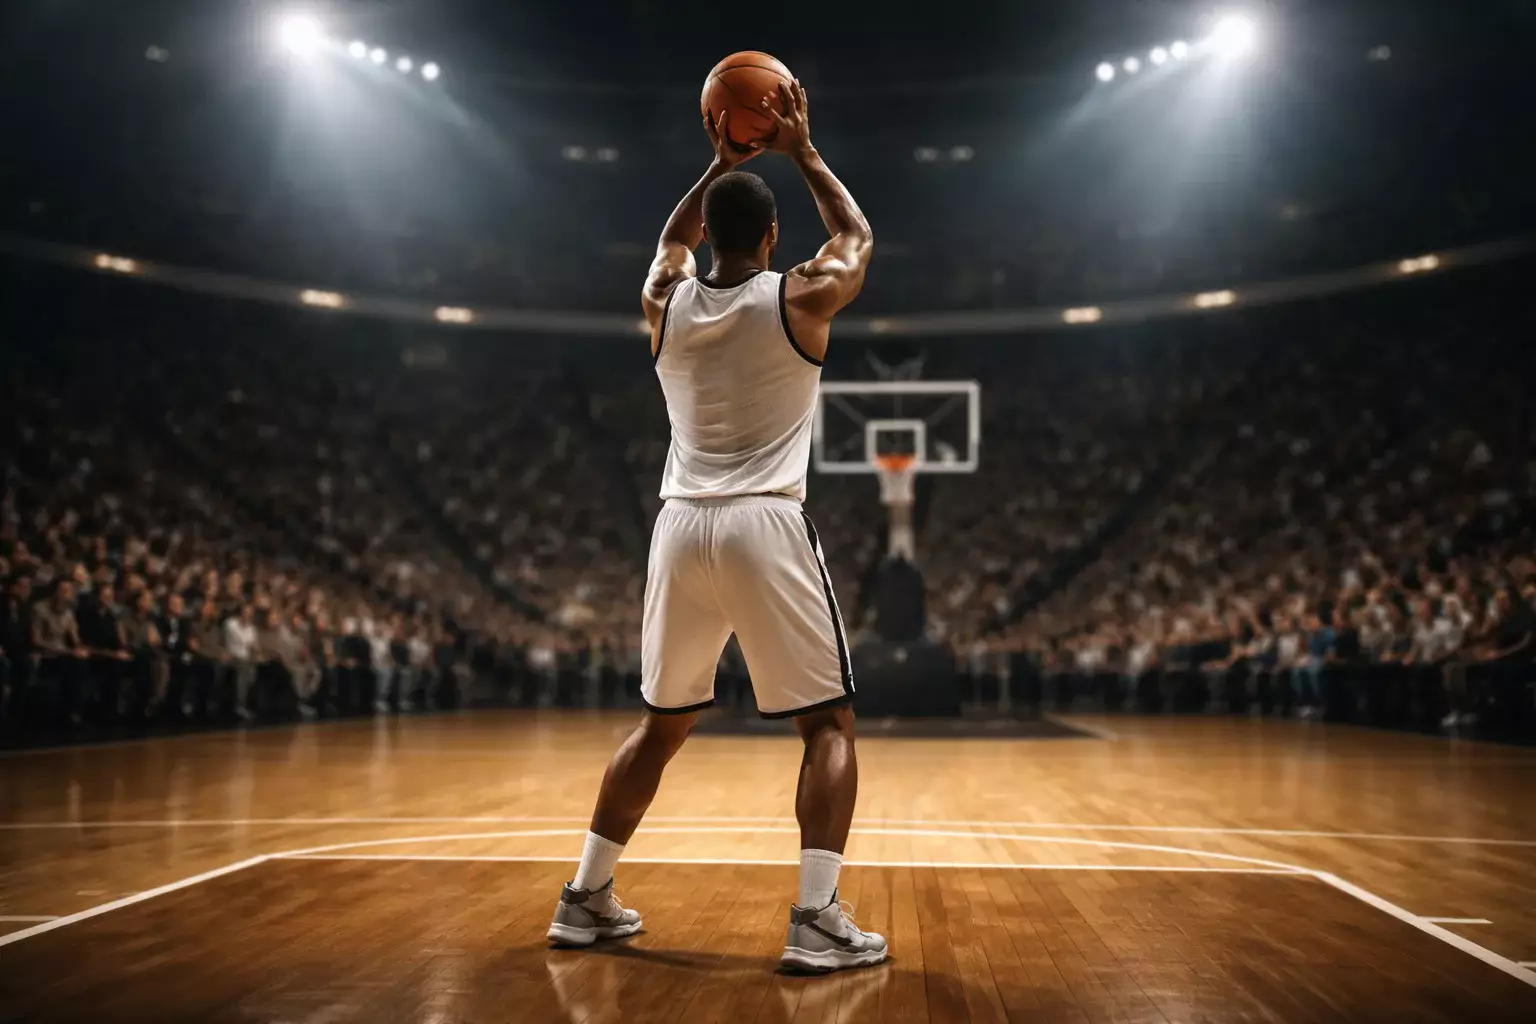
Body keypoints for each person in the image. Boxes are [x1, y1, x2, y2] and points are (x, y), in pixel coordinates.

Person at [549, 81, 885, 973]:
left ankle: (584, 898)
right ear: (774, 239)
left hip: (677, 527)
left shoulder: (666, 304)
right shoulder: (800, 298)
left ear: (710, 235)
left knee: (661, 724)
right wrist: (803, 151)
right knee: (829, 726)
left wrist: (717, 162)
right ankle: (816, 919)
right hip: (763, 522)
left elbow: (668, 244)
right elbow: (856, 239)